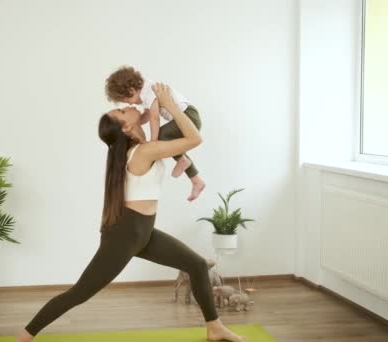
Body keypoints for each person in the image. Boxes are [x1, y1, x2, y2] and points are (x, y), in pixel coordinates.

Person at [16, 83, 246, 342]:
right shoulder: (144, 151)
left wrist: (159, 104)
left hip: (142, 232)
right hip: (125, 236)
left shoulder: (144, 146)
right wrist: (170, 104)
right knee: (79, 293)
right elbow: (195, 138)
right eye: (122, 113)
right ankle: (25, 336)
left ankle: (214, 328)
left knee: (196, 265)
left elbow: (155, 118)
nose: (126, 107)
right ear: (125, 128)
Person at [105, 66, 205, 201]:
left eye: (126, 101)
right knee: (167, 139)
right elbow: (148, 114)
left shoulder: (149, 92)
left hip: (189, 116)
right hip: (186, 116)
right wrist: (136, 123)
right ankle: (196, 180)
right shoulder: (146, 89)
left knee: (163, 136)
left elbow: (154, 118)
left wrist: (154, 141)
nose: (129, 105)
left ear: (131, 90)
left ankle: (183, 160)